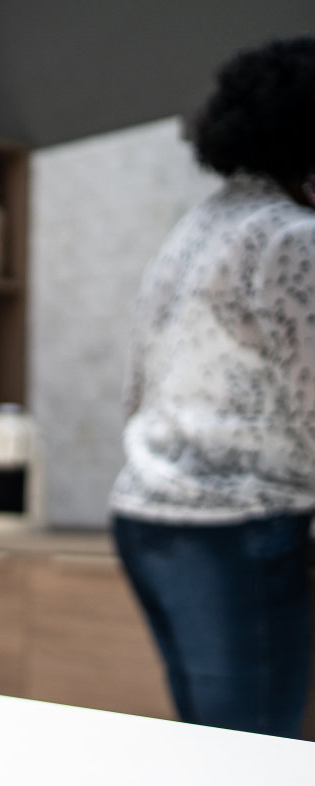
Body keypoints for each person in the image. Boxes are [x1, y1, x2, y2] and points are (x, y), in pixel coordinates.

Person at [110, 36, 315, 738]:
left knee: (214, 746)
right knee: (256, 756)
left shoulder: (197, 228)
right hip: (240, 525)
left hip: (148, 511)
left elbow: (138, 386)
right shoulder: (293, 237)